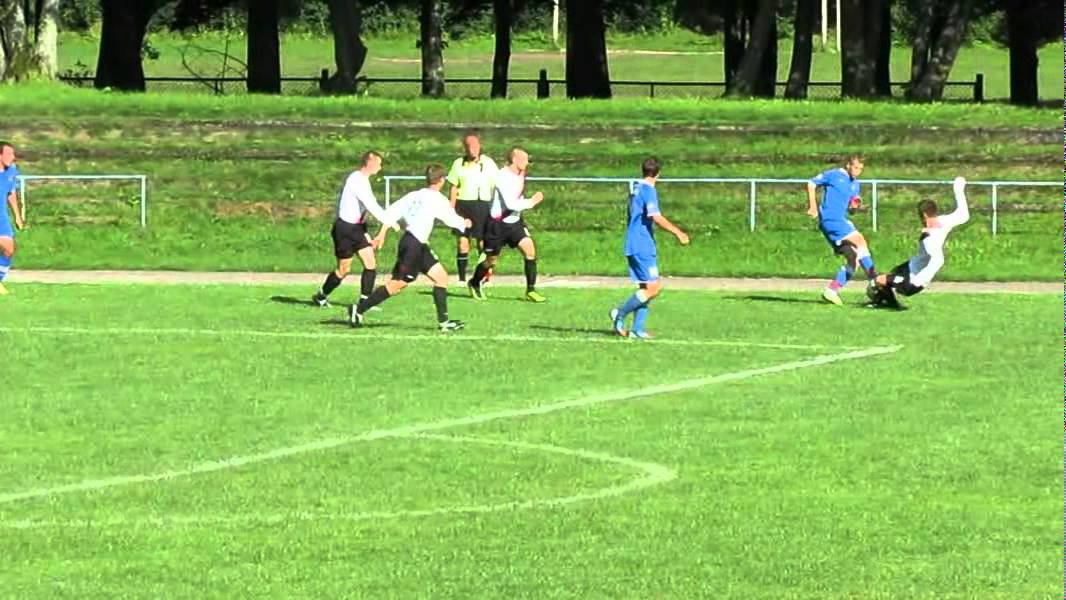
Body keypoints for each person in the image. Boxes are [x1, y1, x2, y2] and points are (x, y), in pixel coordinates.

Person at [349, 164, 472, 332]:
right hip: (413, 245)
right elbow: (450, 218)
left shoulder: (414, 195)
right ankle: (359, 309)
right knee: (397, 284)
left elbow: (391, 212)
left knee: (441, 277)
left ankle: (444, 323)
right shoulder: (437, 199)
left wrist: (382, 233)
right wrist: (464, 223)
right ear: (442, 180)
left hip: (417, 244)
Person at [609, 157, 689, 340]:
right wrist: (679, 232)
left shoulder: (636, 189)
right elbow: (655, 216)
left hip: (634, 242)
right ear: (658, 173)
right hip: (642, 244)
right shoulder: (648, 190)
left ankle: (637, 329)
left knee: (645, 287)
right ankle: (619, 313)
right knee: (653, 288)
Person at [866, 176, 970, 309]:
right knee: (890, 275)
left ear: (924, 215)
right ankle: (886, 302)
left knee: (877, 282)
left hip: (913, 281)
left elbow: (938, 259)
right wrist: (958, 188)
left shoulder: (928, 237)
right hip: (911, 266)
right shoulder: (944, 221)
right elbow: (963, 215)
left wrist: (920, 280)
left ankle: (887, 303)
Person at [312, 151, 394, 308]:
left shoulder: (364, 180)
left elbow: (365, 208)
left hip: (357, 228)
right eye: (378, 164)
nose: (380, 167)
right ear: (369, 163)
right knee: (343, 269)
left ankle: (365, 302)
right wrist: (388, 220)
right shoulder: (356, 180)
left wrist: (365, 231)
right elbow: (371, 204)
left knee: (370, 263)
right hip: (345, 229)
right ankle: (321, 296)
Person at [467, 147, 546, 303]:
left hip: (515, 223)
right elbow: (511, 204)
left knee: (530, 250)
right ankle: (474, 282)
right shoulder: (502, 177)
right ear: (515, 160)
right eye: (524, 160)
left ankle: (530, 290)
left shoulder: (520, 174)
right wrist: (532, 202)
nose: (527, 163)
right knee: (491, 260)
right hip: (497, 225)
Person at [806, 155, 878, 306]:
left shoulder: (855, 184)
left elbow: (851, 209)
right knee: (860, 241)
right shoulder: (833, 175)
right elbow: (811, 183)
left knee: (854, 259)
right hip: (831, 219)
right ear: (848, 165)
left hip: (840, 220)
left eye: (861, 169)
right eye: (856, 167)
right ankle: (875, 281)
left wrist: (855, 207)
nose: (858, 171)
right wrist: (813, 206)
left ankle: (832, 291)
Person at [446, 131, 498, 282]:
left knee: (482, 243)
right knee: (463, 243)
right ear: (465, 148)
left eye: (475, 146)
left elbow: (498, 184)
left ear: (480, 146)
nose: (472, 149)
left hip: (483, 205)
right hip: (463, 205)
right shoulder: (458, 164)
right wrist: (451, 209)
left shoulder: (488, 163)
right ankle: (462, 279)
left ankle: (484, 277)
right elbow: (453, 187)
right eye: (469, 146)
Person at [0, 142, 24, 295]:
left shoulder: (11, 171)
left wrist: (17, 216)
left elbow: (11, 193)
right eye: (9, 154)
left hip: (1, 216)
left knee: (9, 249)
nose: (13, 157)